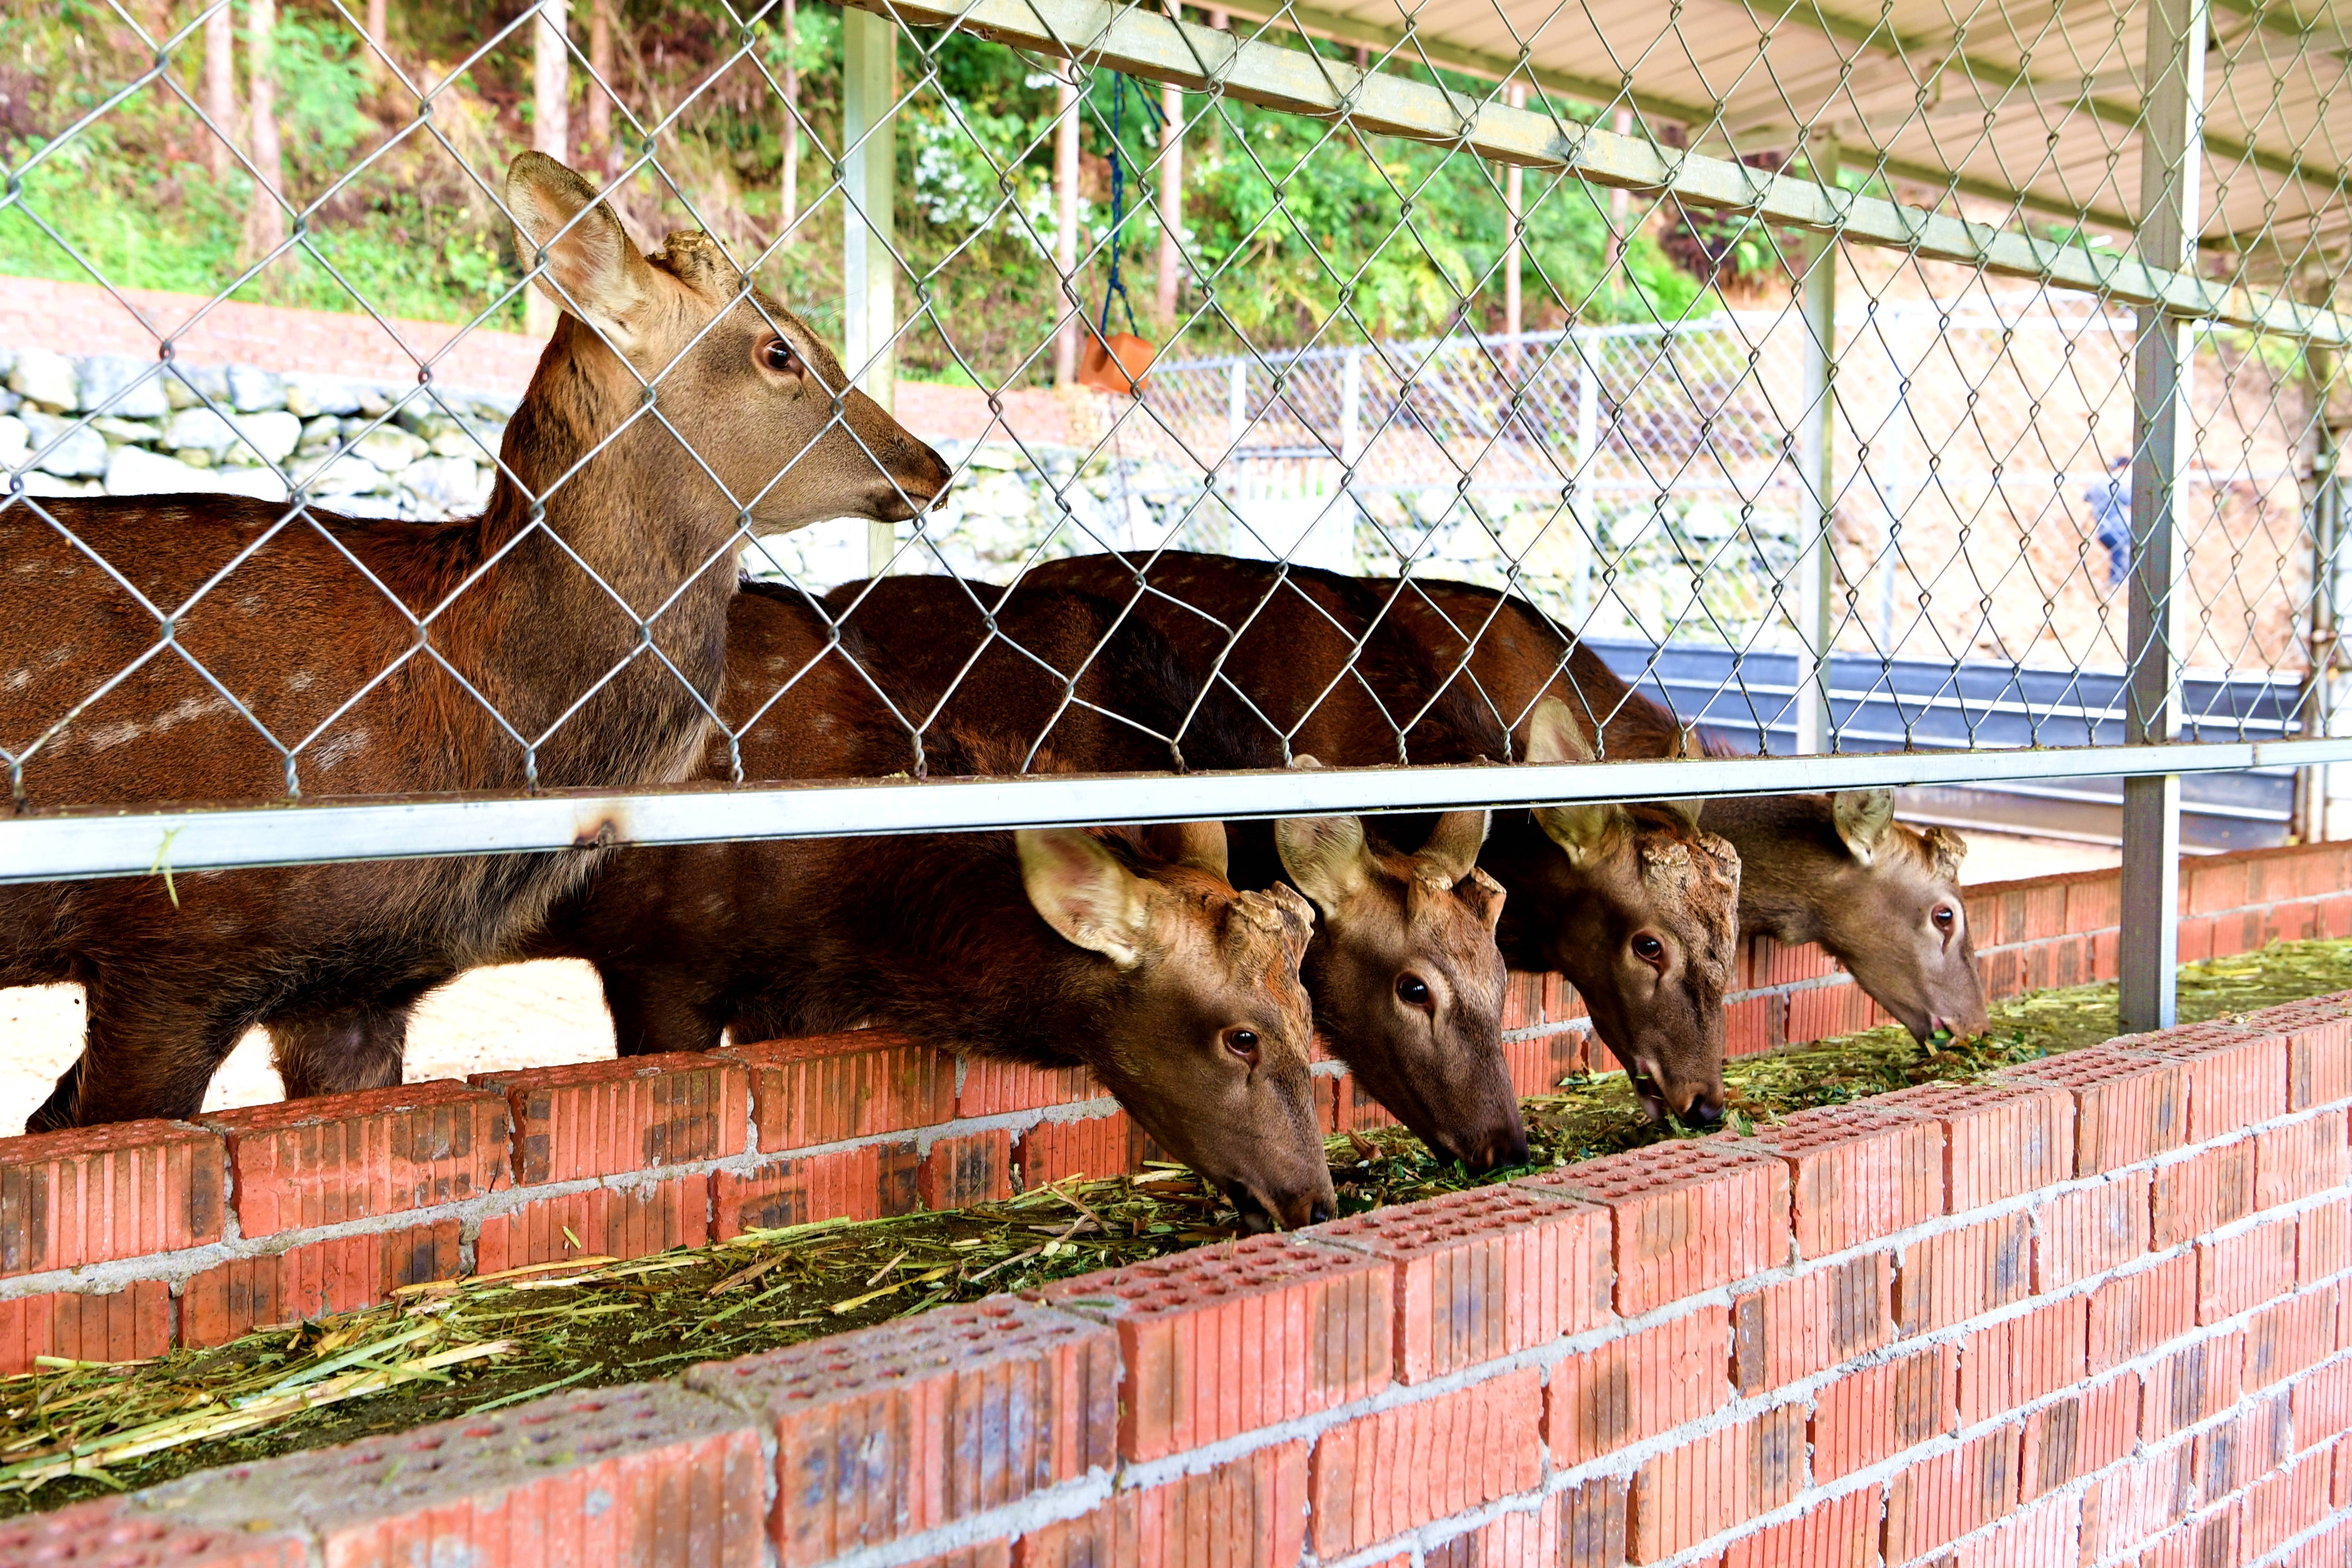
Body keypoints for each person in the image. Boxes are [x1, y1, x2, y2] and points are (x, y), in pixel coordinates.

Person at [2085, 455, 2132, 589]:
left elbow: (2086, 497)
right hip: (2120, 529)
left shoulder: (2098, 483)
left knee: (2120, 554)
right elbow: (2133, 499)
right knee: (2123, 554)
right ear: (2123, 468)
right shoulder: (2116, 484)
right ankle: (2117, 585)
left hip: (2103, 530)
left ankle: (2117, 584)